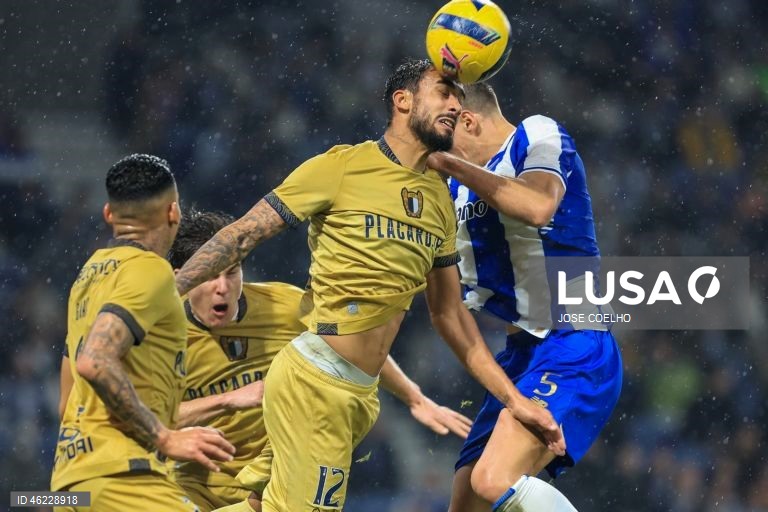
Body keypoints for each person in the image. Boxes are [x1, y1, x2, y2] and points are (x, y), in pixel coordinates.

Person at [175, 59, 565, 512]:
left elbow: (449, 315)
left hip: (359, 394)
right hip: (316, 380)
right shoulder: (342, 166)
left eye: (460, 99)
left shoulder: (440, 199)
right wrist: (167, 292)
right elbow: (243, 233)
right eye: (443, 93)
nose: (456, 105)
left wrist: (514, 401)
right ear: (402, 101)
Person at [165, 208, 472, 511]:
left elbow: (350, 344)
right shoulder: (157, 334)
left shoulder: (284, 305)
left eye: (232, 272)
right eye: (209, 276)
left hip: (274, 487)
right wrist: (227, 400)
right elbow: (138, 421)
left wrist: (414, 398)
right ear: (182, 278)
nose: (223, 288)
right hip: (197, 491)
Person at [426, 83, 623, 511]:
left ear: (468, 121)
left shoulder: (535, 135)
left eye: (446, 135)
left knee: (493, 479)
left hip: (575, 339)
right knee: (466, 502)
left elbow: (538, 205)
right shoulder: (454, 193)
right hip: (520, 354)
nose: (440, 149)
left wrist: (449, 162)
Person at [51, 154, 235, 512]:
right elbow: (94, 361)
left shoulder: (88, 278)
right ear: (173, 213)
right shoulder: (150, 271)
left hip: (70, 487)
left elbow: (66, 402)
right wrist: (163, 437)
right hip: (126, 479)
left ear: (109, 214)